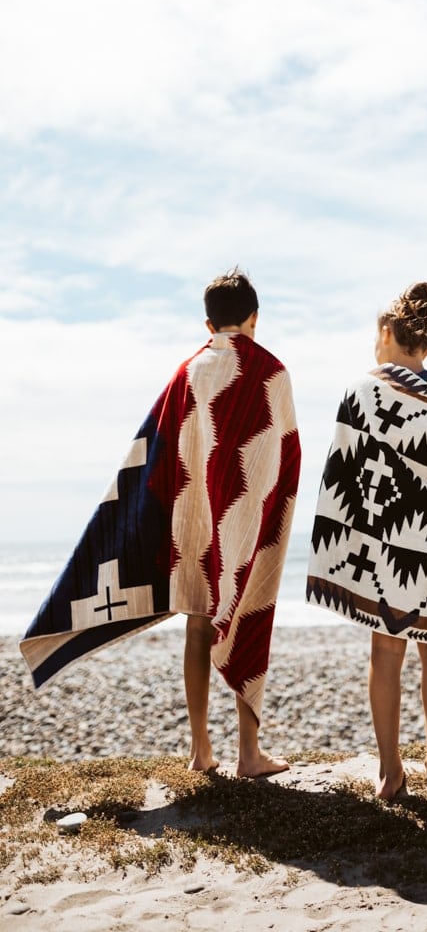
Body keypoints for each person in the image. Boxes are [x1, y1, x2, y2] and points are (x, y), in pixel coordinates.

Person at [21, 269, 301, 778]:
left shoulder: (186, 372)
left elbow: (155, 455)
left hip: (192, 524)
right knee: (249, 620)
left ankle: (200, 751)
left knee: (198, 624)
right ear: (255, 318)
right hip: (243, 525)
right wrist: (260, 515)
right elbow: (282, 455)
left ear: (207, 321)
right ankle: (249, 754)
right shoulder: (272, 372)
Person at [306, 282, 427, 800]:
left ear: (387, 333)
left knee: (385, 649)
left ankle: (392, 772)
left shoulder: (358, 390)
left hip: (381, 537)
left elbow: (343, 472)